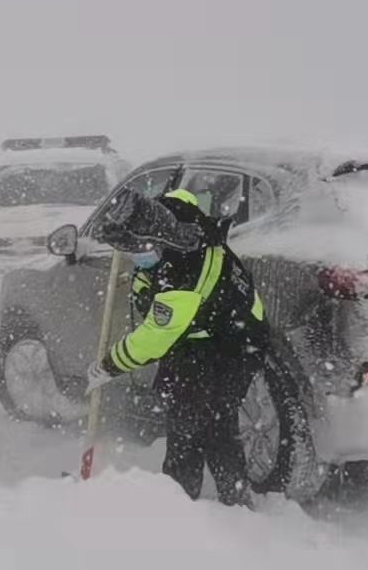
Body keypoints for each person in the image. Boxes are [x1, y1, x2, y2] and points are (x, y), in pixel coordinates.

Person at [83, 189, 269, 506]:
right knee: (212, 421)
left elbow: (153, 338)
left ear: (159, 242)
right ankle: (230, 496)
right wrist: (141, 262)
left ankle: (184, 503)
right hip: (215, 332)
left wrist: (109, 365)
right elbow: (179, 197)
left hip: (232, 345)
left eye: (140, 251)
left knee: (194, 425)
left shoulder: (183, 277)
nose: (137, 258)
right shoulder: (178, 219)